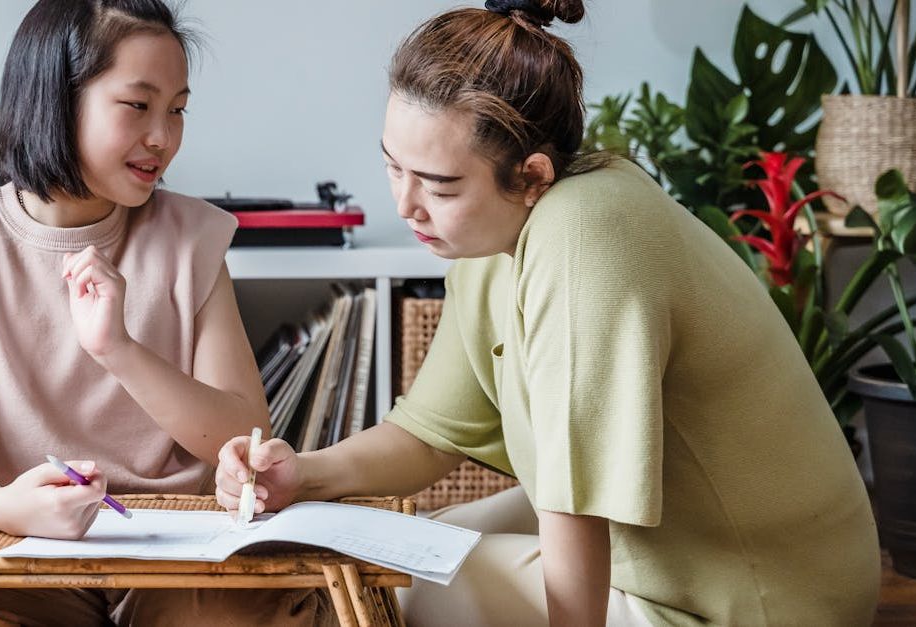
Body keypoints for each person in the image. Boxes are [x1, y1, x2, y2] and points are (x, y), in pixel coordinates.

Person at [214, 2, 881, 625]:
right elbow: (426, 436)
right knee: (421, 541)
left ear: (531, 175)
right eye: (394, 167)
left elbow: (575, 502)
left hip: (764, 594)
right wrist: (302, 472)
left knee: (402, 579)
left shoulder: (584, 232)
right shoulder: (490, 236)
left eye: (440, 185)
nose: (406, 205)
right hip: (668, 544)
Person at [0, 0, 328, 624]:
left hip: (180, 555)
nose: (163, 137)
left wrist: (118, 348)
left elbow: (240, 432)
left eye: (177, 110)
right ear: (55, 100)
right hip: (22, 556)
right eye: (138, 105)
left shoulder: (191, 236)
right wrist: (12, 509)